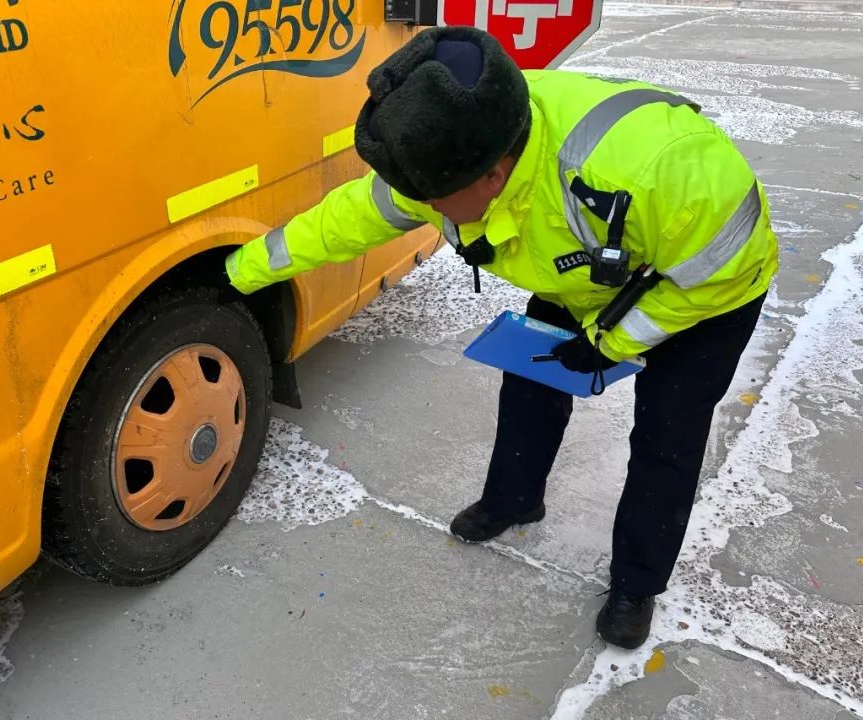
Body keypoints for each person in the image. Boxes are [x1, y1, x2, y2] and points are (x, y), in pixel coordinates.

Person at [223, 25, 778, 649]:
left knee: (666, 436)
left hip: (709, 292)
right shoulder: (449, 141)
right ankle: (515, 500)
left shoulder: (664, 173)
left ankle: (637, 584)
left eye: (433, 200)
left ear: (494, 174)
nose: (421, 210)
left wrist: (613, 343)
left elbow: (719, 270)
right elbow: (350, 218)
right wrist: (241, 272)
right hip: (585, 273)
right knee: (530, 382)